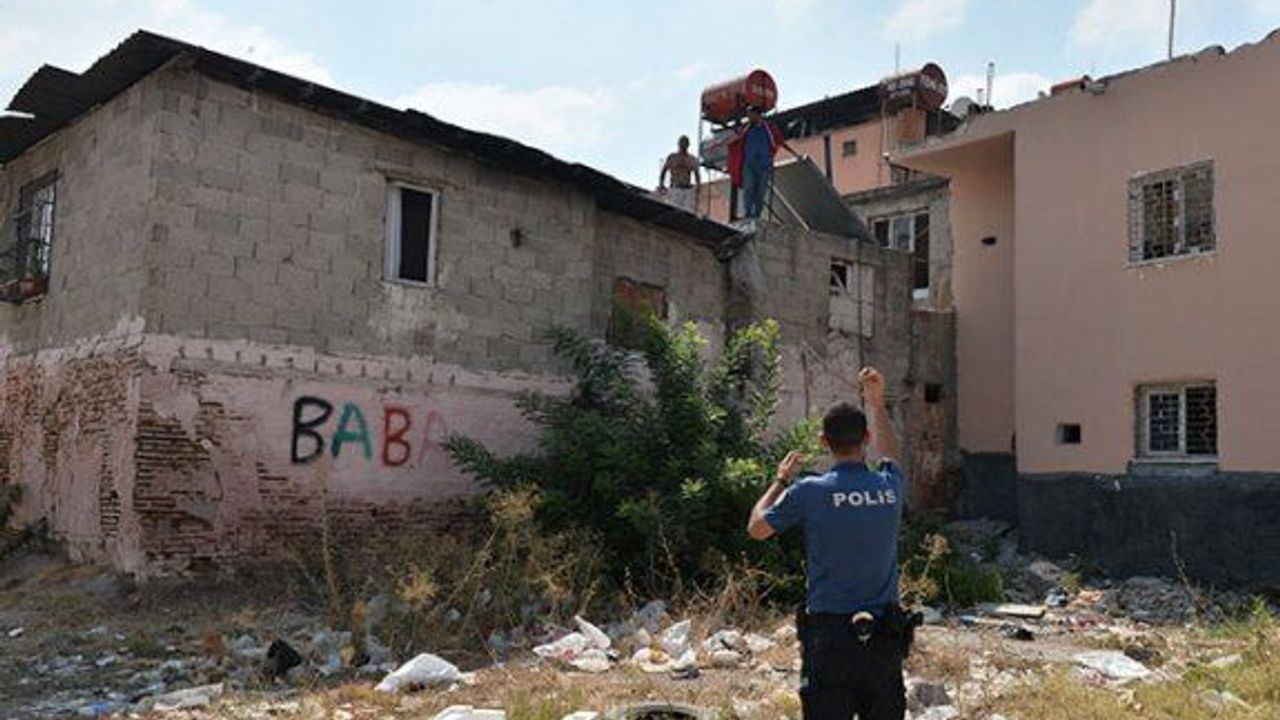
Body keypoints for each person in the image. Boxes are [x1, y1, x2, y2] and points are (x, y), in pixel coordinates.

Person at [747, 367, 914, 720]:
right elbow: (892, 456)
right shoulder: (889, 486)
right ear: (866, 438)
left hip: (830, 638)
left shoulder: (809, 492)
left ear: (824, 442)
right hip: (883, 638)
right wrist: (876, 401)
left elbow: (757, 528)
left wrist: (779, 481)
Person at [727, 105, 799, 219]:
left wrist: (795, 154)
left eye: (750, 114)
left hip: (764, 166)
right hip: (749, 165)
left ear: (757, 115)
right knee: (749, 189)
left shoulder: (769, 128)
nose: (748, 117)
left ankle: (756, 216)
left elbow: (781, 142)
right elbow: (734, 141)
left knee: (760, 192)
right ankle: (748, 214)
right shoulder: (746, 129)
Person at [658, 135, 701, 212]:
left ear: (688, 145)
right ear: (679, 144)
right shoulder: (672, 157)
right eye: (682, 143)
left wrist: (697, 189)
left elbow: (697, 175)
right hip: (675, 189)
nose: (683, 145)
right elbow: (663, 171)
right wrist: (661, 185)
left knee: (687, 213)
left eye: (685, 143)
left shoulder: (691, 159)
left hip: (687, 190)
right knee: (672, 211)